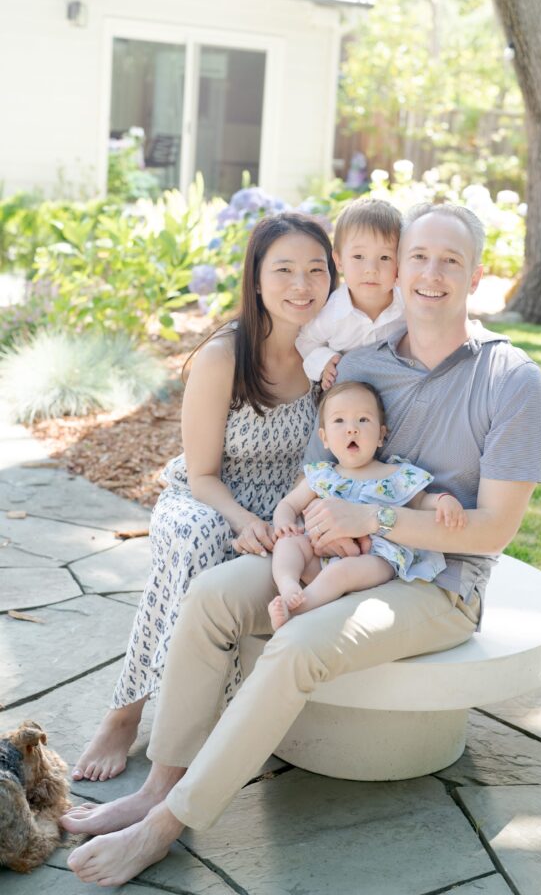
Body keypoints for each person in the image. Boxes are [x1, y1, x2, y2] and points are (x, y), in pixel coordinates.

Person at [61, 202, 541, 887]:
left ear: (474, 275)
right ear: (396, 268)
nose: (429, 273)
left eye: (449, 260)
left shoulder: (511, 382)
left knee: (296, 644)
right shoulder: (366, 365)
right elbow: (319, 472)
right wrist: (305, 528)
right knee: (210, 596)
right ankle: (156, 785)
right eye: (416, 257)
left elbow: (493, 529)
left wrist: (372, 522)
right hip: (332, 557)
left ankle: (165, 824)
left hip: (434, 584)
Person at [71, 213, 337, 783]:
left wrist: (287, 514)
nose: (302, 284)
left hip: (287, 505)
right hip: (208, 500)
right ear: (257, 280)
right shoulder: (225, 355)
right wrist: (242, 520)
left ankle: (228, 719)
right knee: (199, 543)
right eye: (284, 269)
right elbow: (202, 472)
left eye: (317, 270)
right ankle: (128, 714)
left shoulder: (330, 360)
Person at [268, 379, 466, 630]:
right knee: (288, 544)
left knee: (342, 572)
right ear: (325, 437)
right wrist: (284, 524)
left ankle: (299, 608)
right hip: (320, 554)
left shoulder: (395, 474)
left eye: (363, 420)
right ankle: (288, 584)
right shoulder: (321, 475)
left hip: (374, 557)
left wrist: (442, 500)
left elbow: (421, 500)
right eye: (339, 421)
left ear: (381, 435)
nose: (352, 429)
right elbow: (288, 504)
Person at [296, 197, 405, 389]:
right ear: (339, 261)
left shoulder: (408, 306)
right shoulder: (332, 313)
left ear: (400, 262)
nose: (371, 269)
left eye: (385, 257)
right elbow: (306, 340)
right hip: (347, 397)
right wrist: (325, 361)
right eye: (358, 256)